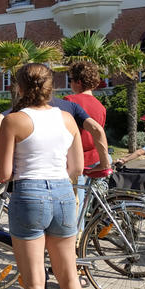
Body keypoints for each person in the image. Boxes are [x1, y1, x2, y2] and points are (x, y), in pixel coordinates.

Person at [0, 63, 90, 289]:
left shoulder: (14, 121)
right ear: (51, 86)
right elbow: (76, 169)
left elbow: (4, 173)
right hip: (63, 193)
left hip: (29, 194)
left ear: (20, 87)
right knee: (70, 278)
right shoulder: (67, 119)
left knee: (35, 281)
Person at [63, 61, 108, 226]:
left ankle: (75, 242)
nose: (70, 84)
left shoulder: (70, 101)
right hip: (95, 158)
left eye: (71, 80)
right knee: (84, 203)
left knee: (76, 204)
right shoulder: (100, 106)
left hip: (77, 160)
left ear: (78, 82)